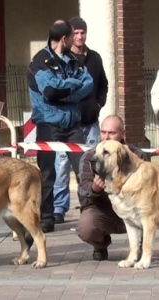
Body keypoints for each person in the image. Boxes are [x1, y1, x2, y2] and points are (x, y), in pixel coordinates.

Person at [27, 20, 93, 233]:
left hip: (73, 124)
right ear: (64, 39)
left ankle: (90, 212)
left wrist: (67, 92)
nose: (77, 40)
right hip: (49, 124)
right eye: (73, 37)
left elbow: (89, 84)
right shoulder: (39, 62)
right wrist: (73, 87)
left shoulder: (73, 59)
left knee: (85, 168)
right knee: (47, 173)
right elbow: (50, 92)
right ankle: (46, 217)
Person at [53, 16, 108, 224]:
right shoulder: (61, 60)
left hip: (90, 124)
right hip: (67, 126)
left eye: (82, 32)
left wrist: (98, 104)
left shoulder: (95, 58)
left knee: (90, 166)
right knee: (62, 166)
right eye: (75, 33)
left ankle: (89, 204)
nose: (79, 36)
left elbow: (103, 84)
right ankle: (59, 208)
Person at [77, 115, 148, 261]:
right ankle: (100, 245)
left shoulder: (138, 156)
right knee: (86, 226)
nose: (106, 137)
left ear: (123, 134)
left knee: (147, 212)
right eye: (103, 132)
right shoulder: (90, 156)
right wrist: (94, 188)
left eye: (111, 133)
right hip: (104, 212)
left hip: (133, 210)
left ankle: (139, 248)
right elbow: (82, 189)